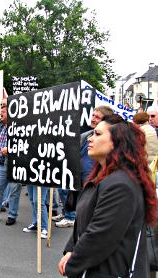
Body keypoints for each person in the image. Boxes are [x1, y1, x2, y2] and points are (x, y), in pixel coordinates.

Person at [58, 114, 157, 277]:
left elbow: (100, 235)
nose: (90, 138)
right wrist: (71, 249)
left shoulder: (121, 184)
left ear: (118, 142)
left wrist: (73, 262)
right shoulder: (104, 177)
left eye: (97, 134)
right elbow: (84, 224)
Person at [54, 105, 114, 228]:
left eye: (97, 117)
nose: (92, 119)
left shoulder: (109, 141)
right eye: (92, 115)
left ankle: (72, 217)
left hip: (91, 177)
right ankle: (69, 214)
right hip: (79, 173)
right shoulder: (86, 135)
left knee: (87, 205)